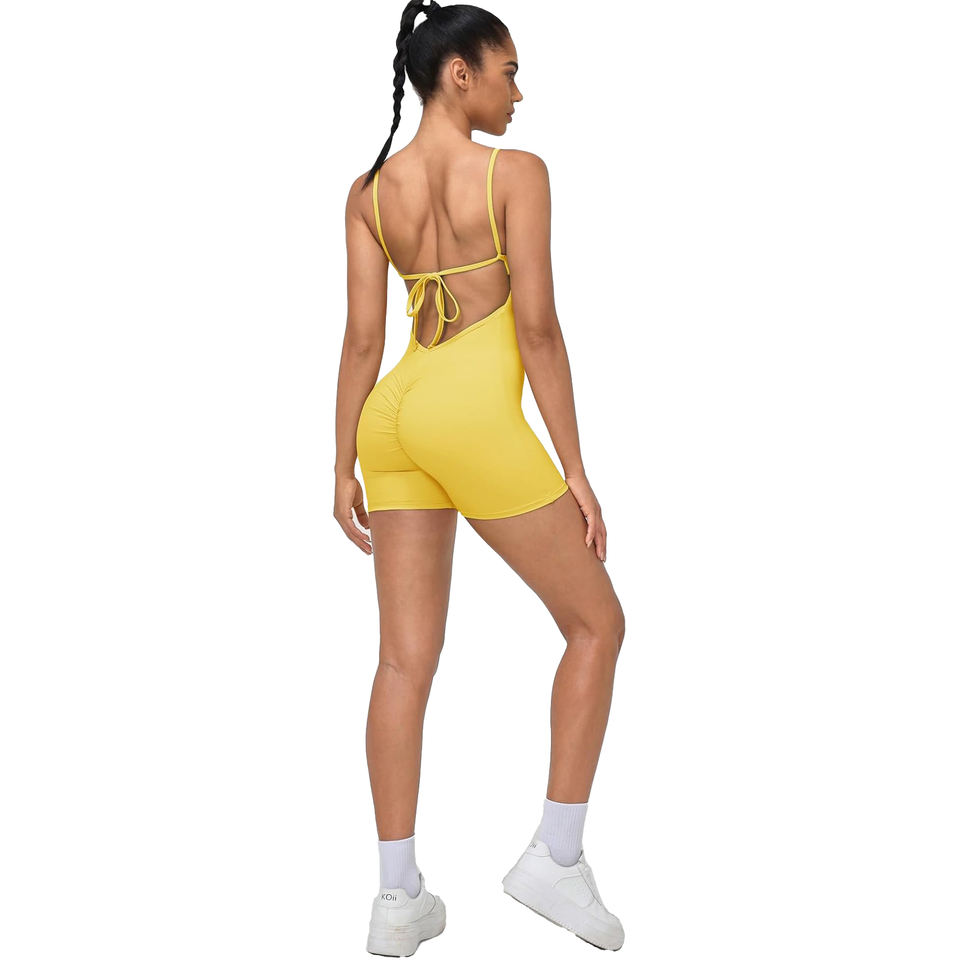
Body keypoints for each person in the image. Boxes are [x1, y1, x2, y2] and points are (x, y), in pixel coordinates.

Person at [334, 1, 626, 953]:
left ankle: (397, 899)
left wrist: (340, 462)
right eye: (507, 71)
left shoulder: (369, 192)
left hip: (392, 418)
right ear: (458, 73)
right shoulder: (516, 174)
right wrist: (576, 469)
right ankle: (556, 857)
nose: (518, 92)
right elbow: (536, 328)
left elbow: (363, 341)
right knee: (597, 624)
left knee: (401, 661)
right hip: (468, 417)